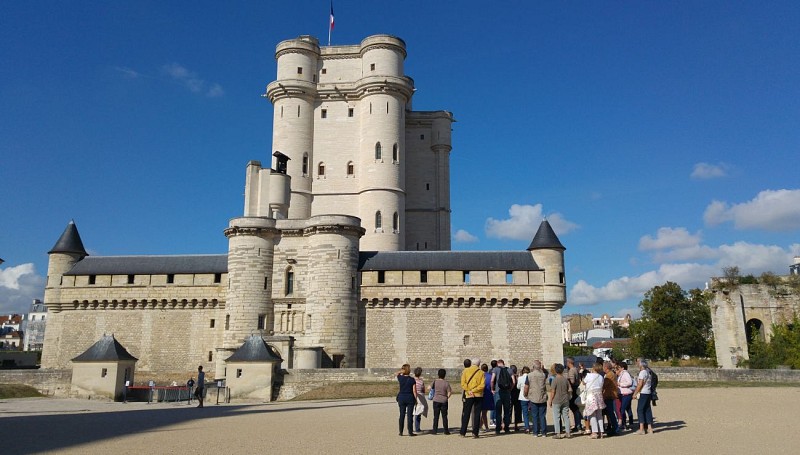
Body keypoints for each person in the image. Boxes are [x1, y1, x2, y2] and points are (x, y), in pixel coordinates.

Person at [460, 358, 485, 438]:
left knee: (466, 413)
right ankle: (475, 433)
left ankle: (463, 432)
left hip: (469, 394)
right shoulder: (481, 372)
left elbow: (463, 383)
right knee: (477, 414)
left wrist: (469, 391)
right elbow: (482, 385)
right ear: (479, 364)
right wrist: (474, 390)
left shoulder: (465, 371)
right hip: (478, 395)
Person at [583, 363, 606, 439]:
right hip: (599, 395)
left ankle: (594, 432)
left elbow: (584, 382)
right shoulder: (601, 377)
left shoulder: (589, 375)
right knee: (599, 414)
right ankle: (601, 431)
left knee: (592, 414)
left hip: (591, 395)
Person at [548, 363, 571, 439]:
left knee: (556, 417)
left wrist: (550, 400)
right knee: (566, 416)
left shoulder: (555, 380)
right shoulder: (565, 379)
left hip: (556, 400)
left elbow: (553, 391)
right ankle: (568, 432)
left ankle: (558, 433)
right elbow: (570, 389)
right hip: (565, 399)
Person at [492, 359, 514, 434]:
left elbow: (492, 380)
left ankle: (498, 428)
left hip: (498, 392)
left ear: (498, 363)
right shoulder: (509, 370)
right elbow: (513, 381)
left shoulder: (495, 369)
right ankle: (506, 428)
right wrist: (510, 389)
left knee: (498, 411)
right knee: (507, 411)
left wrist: (492, 389)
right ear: (503, 363)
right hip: (507, 392)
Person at [633, 358, 655, 434]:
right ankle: (650, 428)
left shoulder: (642, 372)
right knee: (647, 409)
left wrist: (635, 393)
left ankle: (641, 428)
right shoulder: (648, 372)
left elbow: (640, 384)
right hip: (648, 392)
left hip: (643, 392)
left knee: (640, 410)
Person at [396, 364, 417, 436]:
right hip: (410, 397)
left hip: (402, 397)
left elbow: (397, 373)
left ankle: (401, 431)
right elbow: (414, 391)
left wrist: (401, 371)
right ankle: (410, 431)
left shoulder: (400, 378)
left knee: (402, 415)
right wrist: (416, 399)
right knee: (409, 415)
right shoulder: (412, 379)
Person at [528, 360, 548, 437]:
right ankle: (543, 432)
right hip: (542, 396)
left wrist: (526, 394)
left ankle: (535, 432)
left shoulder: (530, 375)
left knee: (534, 415)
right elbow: (546, 373)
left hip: (533, 396)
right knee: (542, 415)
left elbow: (527, 386)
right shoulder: (543, 375)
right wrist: (543, 368)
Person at [431, 368, 452, 435]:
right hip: (444, 400)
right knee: (444, 416)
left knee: (436, 416)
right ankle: (446, 430)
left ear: (438, 375)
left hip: (436, 399)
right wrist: (447, 397)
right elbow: (449, 392)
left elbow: (429, 388)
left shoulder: (435, 381)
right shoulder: (446, 383)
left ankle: (434, 430)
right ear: (444, 375)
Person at [602, 361, 620, 436]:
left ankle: (615, 429)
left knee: (610, 413)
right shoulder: (611, 374)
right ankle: (613, 427)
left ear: (606, 367)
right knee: (609, 413)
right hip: (610, 395)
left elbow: (604, 385)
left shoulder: (609, 375)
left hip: (609, 395)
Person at [566, 357, 583, 432]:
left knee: (574, 408)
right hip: (576, 389)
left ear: (569, 362)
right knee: (576, 409)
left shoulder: (571, 371)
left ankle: (578, 425)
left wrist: (567, 380)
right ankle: (578, 424)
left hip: (573, 390)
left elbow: (572, 381)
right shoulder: (576, 369)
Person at [617, 361, 635, 431]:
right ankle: (630, 423)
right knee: (628, 409)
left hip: (626, 394)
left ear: (622, 368)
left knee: (622, 409)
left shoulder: (625, 373)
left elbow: (629, 382)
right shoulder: (622, 374)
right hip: (623, 394)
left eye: (619, 367)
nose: (618, 369)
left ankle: (624, 424)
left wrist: (620, 384)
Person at [412, 367, 427, 433]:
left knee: (411, 412)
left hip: (412, 396)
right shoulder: (421, 381)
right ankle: (417, 428)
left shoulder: (411, 380)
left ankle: (410, 427)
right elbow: (423, 390)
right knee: (418, 413)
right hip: (420, 397)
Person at [480, 363, 494, 432]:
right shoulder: (490, 376)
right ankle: (484, 426)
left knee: (483, 412)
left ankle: (482, 426)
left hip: (482, 395)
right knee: (484, 412)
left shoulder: (480, 376)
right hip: (488, 395)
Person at [517, 366, 531, 433]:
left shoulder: (520, 378)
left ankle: (527, 427)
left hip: (523, 397)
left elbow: (518, 387)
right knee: (532, 412)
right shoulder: (531, 377)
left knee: (525, 413)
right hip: (531, 397)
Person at [510, 364, 522, 431]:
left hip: (511, 395)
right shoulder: (518, 377)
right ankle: (516, 425)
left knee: (509, 410)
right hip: (517, 396)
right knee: (517, 411)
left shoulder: (509, 377)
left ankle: (505, 424)